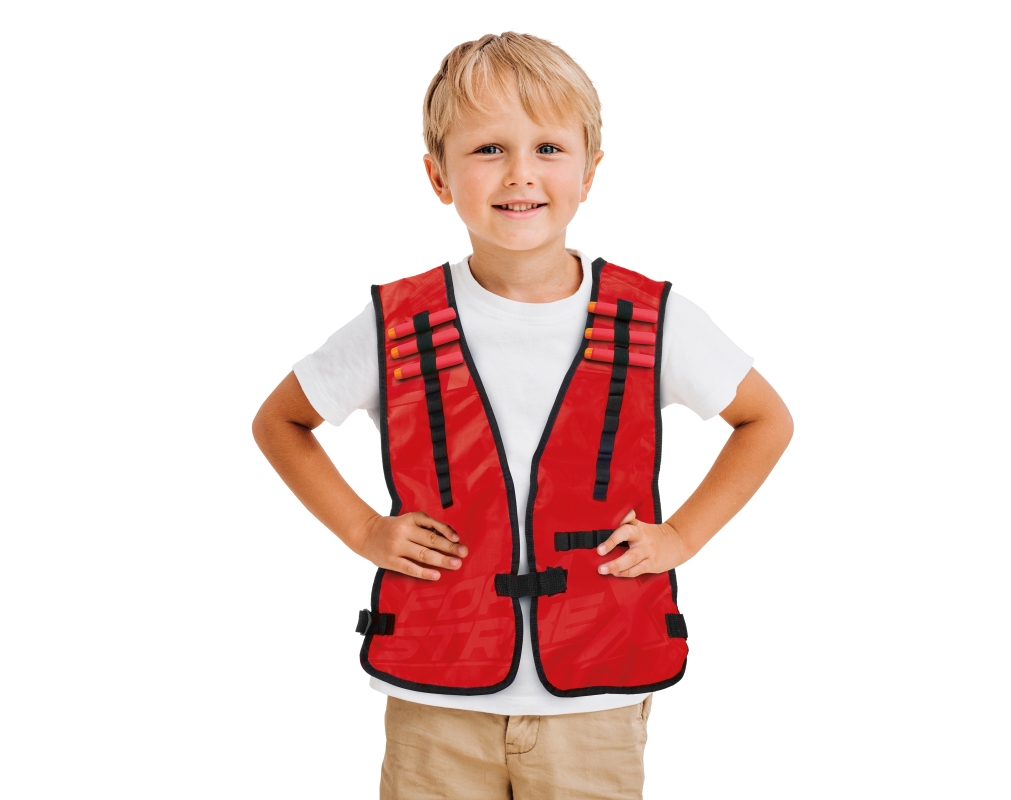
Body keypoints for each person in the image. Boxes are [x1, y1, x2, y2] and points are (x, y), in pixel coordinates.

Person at [252, 31, 793, 800]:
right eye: (488, 149)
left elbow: (766, 419)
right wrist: (365, 530)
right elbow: (279, 421)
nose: (520, 174)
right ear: (438, 176)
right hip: (436, 697)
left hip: (598, 696)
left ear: (589, 171)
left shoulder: (653, 318)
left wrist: (681, 537)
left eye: (548, 148)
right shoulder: (396, 324)